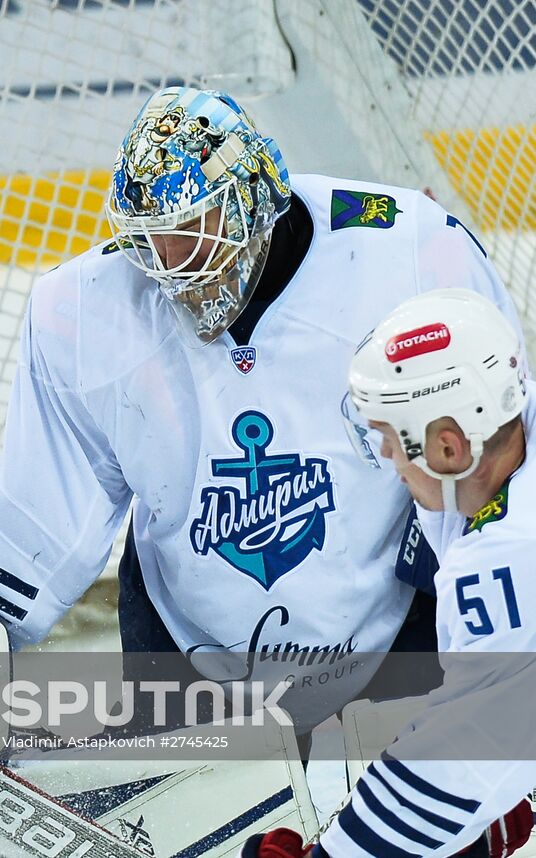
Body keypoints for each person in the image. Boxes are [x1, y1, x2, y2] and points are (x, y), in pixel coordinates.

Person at [0, 85, 528, 831]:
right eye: (153, 235)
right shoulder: (83, 312)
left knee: (430, 823)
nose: (175, 261)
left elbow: (499, 445)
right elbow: (40, 517)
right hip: (187, 656)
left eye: (197, 226)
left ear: (255, 198)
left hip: (396, 635)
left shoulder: (410, 249)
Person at [241, 289, 536, 857]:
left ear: (449, 446)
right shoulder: (507, 434)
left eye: (391, 439)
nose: (383, 455)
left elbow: (463, 755)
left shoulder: (509, 557)